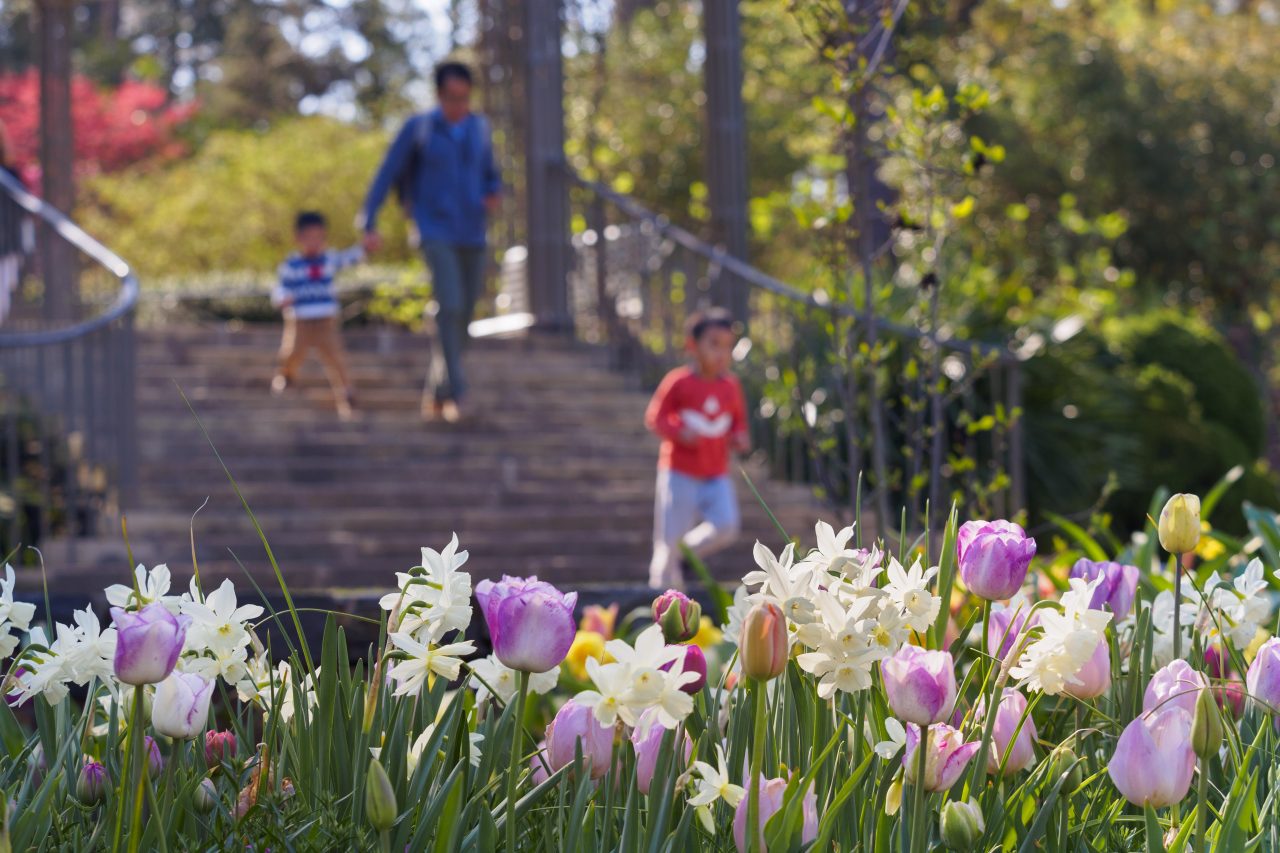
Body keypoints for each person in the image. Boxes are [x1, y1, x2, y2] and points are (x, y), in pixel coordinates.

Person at [360, 61, 501, 424]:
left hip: (472, 231)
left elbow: (491, 175)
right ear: (439, 95)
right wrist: (369, 219)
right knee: (450, 304)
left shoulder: (479, 129)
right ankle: (458, 392)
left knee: (465, 314)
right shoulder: (419, 127)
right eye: (453, 97)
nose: (460, 104)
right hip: (434, 229)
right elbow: (387, 172)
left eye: (465, 97)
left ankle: (436, 392)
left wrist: (492, 194)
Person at [644, 308, 750, 590]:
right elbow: (655, 417)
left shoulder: (730, 386)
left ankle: (681, 555)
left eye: (727, 346)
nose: (722, 353)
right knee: (669, 538)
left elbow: (738, 422)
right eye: (714, 344)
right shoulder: (678, 381)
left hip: (716, 473)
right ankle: (661, 600)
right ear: (693, 345)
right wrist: (680, 431)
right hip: (679, 473)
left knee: (726, 525)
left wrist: (740, 437)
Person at [271, 211, 361, 419]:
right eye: (309, 236)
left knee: (335, 357)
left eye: (318, 236)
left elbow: (349, 258)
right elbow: (281, 287)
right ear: (299, 238)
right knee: (291, 351)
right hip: (300, 318)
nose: (314, 241)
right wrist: (282, 298)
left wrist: (365, 247)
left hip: (325, 319)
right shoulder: (291, 265)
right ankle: (286, 376)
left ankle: (346, 392)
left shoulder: (328, 259)